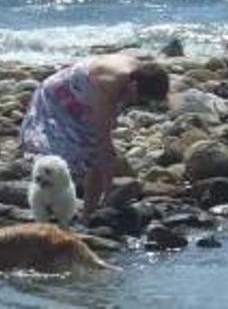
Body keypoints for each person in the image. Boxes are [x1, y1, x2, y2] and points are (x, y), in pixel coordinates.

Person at [20, 54, 169, 221]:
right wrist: (110, 187)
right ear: (134, 86)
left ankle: (87, 215)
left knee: (95, 155)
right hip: (61, 96)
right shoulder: (109, 83)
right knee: (84, 152)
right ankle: (47, 211)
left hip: (87, 97)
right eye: (141, 99)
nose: (138, 103)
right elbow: (103, 140)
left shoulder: (142, 73)